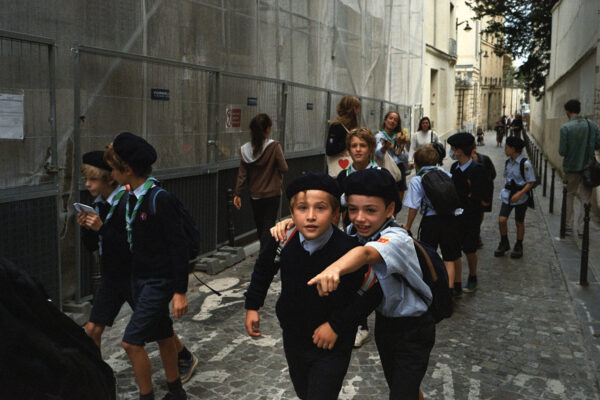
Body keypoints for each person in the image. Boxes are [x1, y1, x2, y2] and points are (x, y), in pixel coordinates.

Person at [244, 172, 382, 400]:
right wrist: (252, 306)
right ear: (291, 213)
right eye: (301, 208)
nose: (310, 216)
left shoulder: (350, 250)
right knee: (303, 391)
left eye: (320, 208)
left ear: (336, 213)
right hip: (294, 336)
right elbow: (263, 270)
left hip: (333, 343)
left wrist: (337, 325)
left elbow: (371, 291)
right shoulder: (283, 240)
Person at [307, 168, 435, 400]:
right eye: (353, 209)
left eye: (370, 210)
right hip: (386, 325)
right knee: (400, 385)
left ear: (390, 209)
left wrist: (335, 268)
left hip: (415, 329)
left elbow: (366, 255)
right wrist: (288, 227)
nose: (359, 218)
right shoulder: (355, 233)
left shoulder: (397, 239)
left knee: (401, 393)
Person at [78, 150, 199, 385]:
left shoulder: (129, 201)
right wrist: (87, 226)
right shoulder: (99, 204)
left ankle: (181, 361)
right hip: (112, 278)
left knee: (158, 330)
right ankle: (97, 379)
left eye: (92, 179)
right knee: (92, 329)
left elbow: (132, 245)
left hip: (135, 277)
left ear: (110, 177)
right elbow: (92, 245)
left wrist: (179, 290)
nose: (87, 184)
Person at [104, 132, 189, 400]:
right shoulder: (128, 198)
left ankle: (147, 396)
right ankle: (176, 392)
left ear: (127, 170)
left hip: (158, 281)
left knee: (131, 342)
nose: (110, 175)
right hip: (139, 280)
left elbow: (179, 247)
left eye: (112, 169)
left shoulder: (159, 199)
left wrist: (179, 291)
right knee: (164, 336)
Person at [335, 127, 379, 348]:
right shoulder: (343, 176)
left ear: (370, 148)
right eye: (354, 146)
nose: (358, 150)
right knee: (356, 279)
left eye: (362, 145)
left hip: (375, 236)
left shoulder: (380, 174)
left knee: (377, 279)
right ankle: (360, 326)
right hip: (352, 234)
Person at [403, 146, 461, 296]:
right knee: (449, 257)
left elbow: (413, 207)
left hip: (431, 222)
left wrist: (408, 226)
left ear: (416, 163)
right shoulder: (446, 174)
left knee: (428, 256)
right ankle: (449, 292)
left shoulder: (417, 180)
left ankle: (431, 289)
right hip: (450, 220)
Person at [234, 113, 288, 251]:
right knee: (269, 224)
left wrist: (237, 194)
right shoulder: (274, 146)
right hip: (272, 193)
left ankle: (264, 252)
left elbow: (242, 174)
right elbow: (284, 168)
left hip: (255, 194)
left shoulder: (245, 150)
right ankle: (266, 254)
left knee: (260, 225)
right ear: (267, 129)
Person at [448, 132, 487, 294]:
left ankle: (472, 276)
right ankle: (456, 282)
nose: (451, 152)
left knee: (470, 249)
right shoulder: (454, 168)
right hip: (454, 216)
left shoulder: (477, 169)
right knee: (454, 248)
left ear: (459, 151)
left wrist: (466, 209)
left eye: (452, 149)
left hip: (470, 216)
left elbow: (479, 197)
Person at [558, 99, 600, 236]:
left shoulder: (566, 128)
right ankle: (582, 228)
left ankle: (568, 225)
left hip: (571, 167)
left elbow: (562, 151)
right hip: (589, 167)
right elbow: (598, 145)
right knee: (585, 198)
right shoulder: (592, 125)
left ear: (567, 111)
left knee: (569, 194)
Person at [494, 137, 536, 259]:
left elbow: (530, 182)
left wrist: (520, 194)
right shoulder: (508, 162)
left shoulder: (525, 164)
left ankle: (518, 245)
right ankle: (504, 242)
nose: (505, 150)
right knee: (502, 220)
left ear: (513, 149)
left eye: (506, 147)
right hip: (507, 196)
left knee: (519, 222)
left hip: (520, 197)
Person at [375, 111, 409, 202]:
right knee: (384, 199)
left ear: (397, 124)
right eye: (390, 118)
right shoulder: (379, 136)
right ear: (385, 120)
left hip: (399, 169)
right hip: (384, 169)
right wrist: (384, 148)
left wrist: (393, 148)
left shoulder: (399, 137)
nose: (392, 121)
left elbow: (405, 157)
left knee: (397, 201)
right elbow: (378, 153)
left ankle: (394, 216)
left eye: (396, 120)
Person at [326, 95, 361, 177]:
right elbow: (330, 149)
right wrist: (348, 141)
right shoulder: (336, 126)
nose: (359, 111)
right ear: (352, 109)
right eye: (358, 108)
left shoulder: (353, 126)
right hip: (339, 175)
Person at [471, 147, 496, 249]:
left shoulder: (485, 159)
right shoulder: (462, 161)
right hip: (468, 192)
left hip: (481, 192)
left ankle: (476, 234)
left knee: (479, 212)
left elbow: (493, 174)